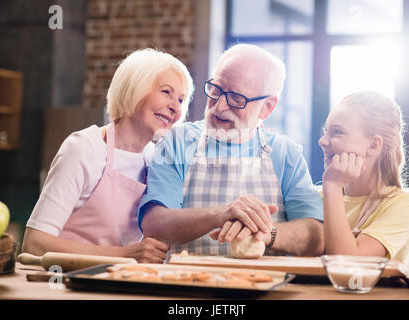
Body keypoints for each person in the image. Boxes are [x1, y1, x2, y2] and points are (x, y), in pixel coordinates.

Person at [138, 44, 324, 257]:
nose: (219, 107)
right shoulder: (177, 143)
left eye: (236, 98)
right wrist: (220, 214)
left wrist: (266, 232)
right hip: (188, 285)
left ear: (267, 107)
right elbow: (153, 225)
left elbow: (317, 237)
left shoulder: (285, 153)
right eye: (216, 90)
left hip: (265, 286)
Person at [22, 48, 194, 263]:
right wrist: (124, 255)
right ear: (135, 88)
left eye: (181, 100)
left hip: (118, 283)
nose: (175, 108)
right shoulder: (84, 148)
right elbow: (34, 244)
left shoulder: (155, 159)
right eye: (166, 92)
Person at [318, 91, 409, 263]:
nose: (322, 140)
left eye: (336, 132)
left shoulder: (404, 205)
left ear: (373, 145)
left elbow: (347, 263)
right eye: (326, 131)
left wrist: (333, 186)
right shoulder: (317, 198)